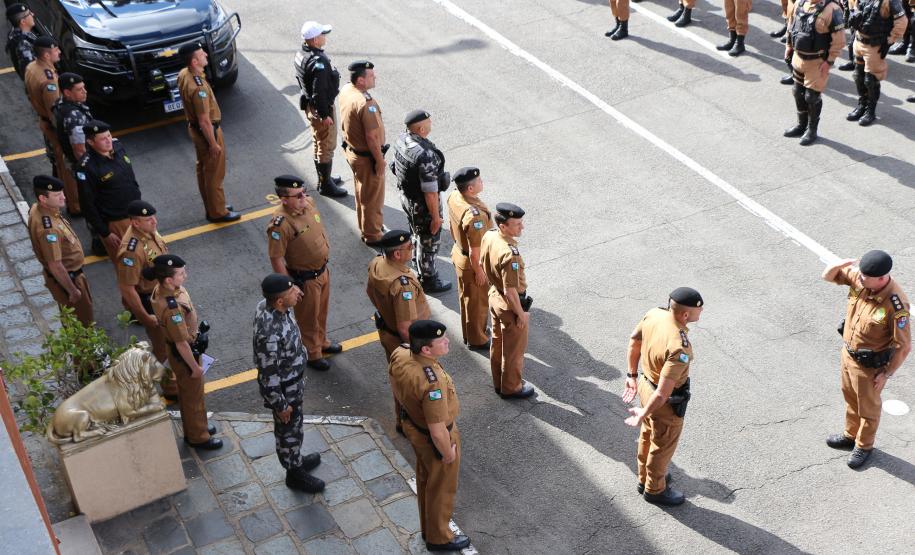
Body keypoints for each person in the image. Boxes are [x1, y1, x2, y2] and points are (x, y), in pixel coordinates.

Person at [822, 251, 910, 468]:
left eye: (864, 278)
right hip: (848, 354)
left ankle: (864, 445)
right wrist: (840, 264)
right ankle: (850, 435)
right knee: (850, 398)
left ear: (881, 279)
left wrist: (886, 374)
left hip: (869, 367)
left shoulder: (895, 304)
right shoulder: (862, 279)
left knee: (868, 409)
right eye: (860, 275)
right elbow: (827, 276)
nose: (859, 279)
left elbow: (904, 347)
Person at [389, 320, 471, 553]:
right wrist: (447, 453)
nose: (447, 341)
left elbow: (395, 385)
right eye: (441, 340)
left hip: (413, 426)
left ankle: (428, 528)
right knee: (441, 487)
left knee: (426, 480)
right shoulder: (431, 383)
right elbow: (437, 429)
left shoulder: (401, 353)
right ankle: (439, 538)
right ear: (426, 350)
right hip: (435, 437)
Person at [623, 287, 704, 506]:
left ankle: (644, 478)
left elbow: (634, 341)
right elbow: (662, 393)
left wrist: (631, 375)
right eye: (699, 310)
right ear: (686, 315)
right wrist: (643, 413)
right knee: (662, 444)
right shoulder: (680, 347)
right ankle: (654, 489)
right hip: (663, 403)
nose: (701, 312)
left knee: (648, 435)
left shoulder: (654, 314)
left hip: (644, 384)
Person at [253, 274, 326, 493]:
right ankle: (294, 474)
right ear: (279, 301)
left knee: (295, 427)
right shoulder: (269, 332)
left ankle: (296, 459)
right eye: (293, 292)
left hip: (293, 380)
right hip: (284, 389)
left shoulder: (272, 306)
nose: (299, 293)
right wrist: (280, 404)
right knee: (288, 430)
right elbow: (268, 373)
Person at [267, 175, 342, 372]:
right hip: (305, 278)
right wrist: (288, 287)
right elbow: (276, 258)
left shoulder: (308, 203)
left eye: (303, 192)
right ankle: (312, 353)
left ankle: (323, 342)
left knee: (321, 312)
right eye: (297, 195)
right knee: (308, 318)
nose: (303, 197)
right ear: (284, 199)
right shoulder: (280, 224)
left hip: (322, 271)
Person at [150, 255, 221, 450]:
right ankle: (198, 436)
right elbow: (181, 343)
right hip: (185, 354)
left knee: (190, 394)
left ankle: (198, 426)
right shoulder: (172, 308)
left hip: (184, 348)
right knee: (193, 397)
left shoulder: (163, 289)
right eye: (181, 274)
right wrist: (195, 367)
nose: (185, 276)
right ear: (168, 280)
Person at [366, 230, 431, 429]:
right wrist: (417, 353)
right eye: (409, 247)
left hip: (387, 330)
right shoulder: (403, 287)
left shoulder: (377, 263)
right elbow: (406, 327)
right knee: (408, 383)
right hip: (402, 339)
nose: (412, 249)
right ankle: (406, 423)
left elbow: (369, 291)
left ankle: (402, 419)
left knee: (399, 378)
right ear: (397, 254)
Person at [115, 200, 177, 399]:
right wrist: (145, 317)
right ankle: (169, 388)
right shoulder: (131, 251)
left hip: (163, 294)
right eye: (148, 219)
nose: (154, 221)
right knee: (163, 348)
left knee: (173, 342)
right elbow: (127, 288)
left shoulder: (148, 232)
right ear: (135, 223)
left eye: (153, 217)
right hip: (150, 302)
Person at [176, 42, 240, 223]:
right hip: (207, 131)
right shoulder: (199, 88)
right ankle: (218, 212)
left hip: (195, 129)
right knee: (214, 174)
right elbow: (204, 120)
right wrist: (213, 143)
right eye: (201, 53)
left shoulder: (184, 74)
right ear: (195, 61)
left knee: (204, 171)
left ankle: (213, 206)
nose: (205, 54)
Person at [390, 109, 451, 293]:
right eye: (429, 122)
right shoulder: (425, 154)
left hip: (407, 197)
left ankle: (418, 266)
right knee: (428, 239)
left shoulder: (402, 139)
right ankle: (428, 278)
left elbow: (396, 167)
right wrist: (435, 217)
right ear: (421, 128)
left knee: (416, 233)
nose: (431, 124)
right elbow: (431, 192)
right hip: (422, 205)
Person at [480, 203, 535, 400]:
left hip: (495, 296)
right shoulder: (510, 254)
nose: (522, 227)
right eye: (517, 224)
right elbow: (511, 291)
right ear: (503, 227)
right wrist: (521, 315)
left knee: (498, 342)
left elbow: (481, 262)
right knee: (513, 351)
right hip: (509, 303)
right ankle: (511, 387)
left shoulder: (490, 235)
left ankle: (499, 382)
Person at [24, 35, 80, 215]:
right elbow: (56, 112)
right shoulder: (49, 81)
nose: (60, 52)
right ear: (47, 55)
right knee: (67, 166)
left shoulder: (32, 67)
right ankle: (75, 205)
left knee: (58, 164)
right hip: (53, 127)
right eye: (56, 49)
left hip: (43, 121)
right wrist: (65, 135)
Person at [26, 175, 93, 326]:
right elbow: (55, 265)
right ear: (43, 198)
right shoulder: (48, 229)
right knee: (81, 322)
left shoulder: (40, 209)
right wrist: (72, 291)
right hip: (70, 279)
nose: (63, 197)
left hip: (68, 276)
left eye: (62, 192)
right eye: (57, 195)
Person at [295, 20, 347, 198]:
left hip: (311, 106)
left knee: (318, 143)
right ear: (315, 40)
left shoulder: (302, 53)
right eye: (322, 35)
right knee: (326, 145)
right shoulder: (319, 62)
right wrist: (325, 115)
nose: (325, 37)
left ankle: (325, 179)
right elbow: (319, 91)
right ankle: (325, 185)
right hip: (321, 109)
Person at [76, 120, 141, 262]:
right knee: (129, 265)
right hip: (118, 223)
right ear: (91, 143)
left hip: (138, 215)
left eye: (109, 136)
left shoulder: (118, 147)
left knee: (150, 258)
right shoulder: (86, 167)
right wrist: (105, 233)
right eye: (103, 139)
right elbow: (87, 204)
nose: (108, 141)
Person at [783, 0, 846, 145]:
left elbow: (839, 40)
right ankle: (801, 125)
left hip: (817, 62)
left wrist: (829, 61)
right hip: (798, 58)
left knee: (812, 97)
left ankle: (812, 130)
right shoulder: (800, 3)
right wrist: (788, 45)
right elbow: (791, 24)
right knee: (798, 92)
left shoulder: (833, 9)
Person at [338, 60, 386, 243]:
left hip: (353, 151)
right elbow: (372, 137)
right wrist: (379, 160)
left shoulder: (346, 90)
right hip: (367, 158)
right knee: (372, 197)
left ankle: (367, 225)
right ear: (360, 80)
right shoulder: (365, 103)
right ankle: (372, 234)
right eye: (371, 76)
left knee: (362, 192)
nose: (375, 78)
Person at [446, 167, 492, 349]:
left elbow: (452, 226)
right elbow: (476, 250)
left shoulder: (455, 196)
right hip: (472, 262)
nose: (482, 182)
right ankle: (478, 339)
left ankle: (470, 333)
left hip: (459, 253)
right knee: (478, 304)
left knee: (467, 298)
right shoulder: (475, 217)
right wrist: (479, 271)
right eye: (479, 181)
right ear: (470, 189)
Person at [845, 0, 907, 126]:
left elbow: (902, 21)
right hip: (859, 40)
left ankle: (870, 111)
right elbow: (855, 7)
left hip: (875, 45)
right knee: (858, 76)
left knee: (871, 80)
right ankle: (862, 105)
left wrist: (890, 40)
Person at [54, 73, 94, 172]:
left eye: (84, 88)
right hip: (82, 164)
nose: (85, 92)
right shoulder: (74, 116)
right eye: (79, 89)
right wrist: (92, 171)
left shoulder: (60, 103)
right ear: (67, 92)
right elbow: (79, 150)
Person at [5, 3, 36, 79]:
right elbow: (32, 73)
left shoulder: (14, 33)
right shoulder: (23, 45)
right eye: (29, 13)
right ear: (23, 22)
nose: (33, 14)